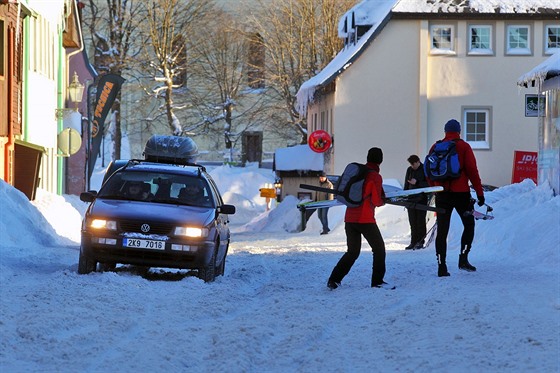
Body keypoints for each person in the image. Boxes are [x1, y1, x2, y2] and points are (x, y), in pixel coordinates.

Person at [426, 119, 485, 277]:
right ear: (459, 131)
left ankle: (441, 265)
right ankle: (463, 259)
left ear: (445, 131)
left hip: (442, 194)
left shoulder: (435, 147)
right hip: (461, 194)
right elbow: (473, 171)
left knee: (442, 230)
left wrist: (435, 187)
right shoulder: (464, 146)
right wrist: (480, 193)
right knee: (469, 225)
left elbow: (428, 170)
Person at [327, 147, 387, 289]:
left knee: (352, 252)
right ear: (380, 160)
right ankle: (377, 282)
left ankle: (334, 279)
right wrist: (383, 200)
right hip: (365, 219)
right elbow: (377, 201)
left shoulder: (359, 172)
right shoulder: (375, 176)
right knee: (379, 249)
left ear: (367, 158)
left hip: (350, 218)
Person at [403, 154, 429, 250]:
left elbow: (428, 184)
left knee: (420, 221)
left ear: (418, 162)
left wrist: (417, 183)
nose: (412, 166)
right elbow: (406, 184)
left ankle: (420, 241)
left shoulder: (424, 169)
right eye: (411, 164)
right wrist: (405, 195)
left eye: (413, 164)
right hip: (411, 199)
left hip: (421, 199)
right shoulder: (409, 170)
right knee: (412, 222)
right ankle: (413, 242)